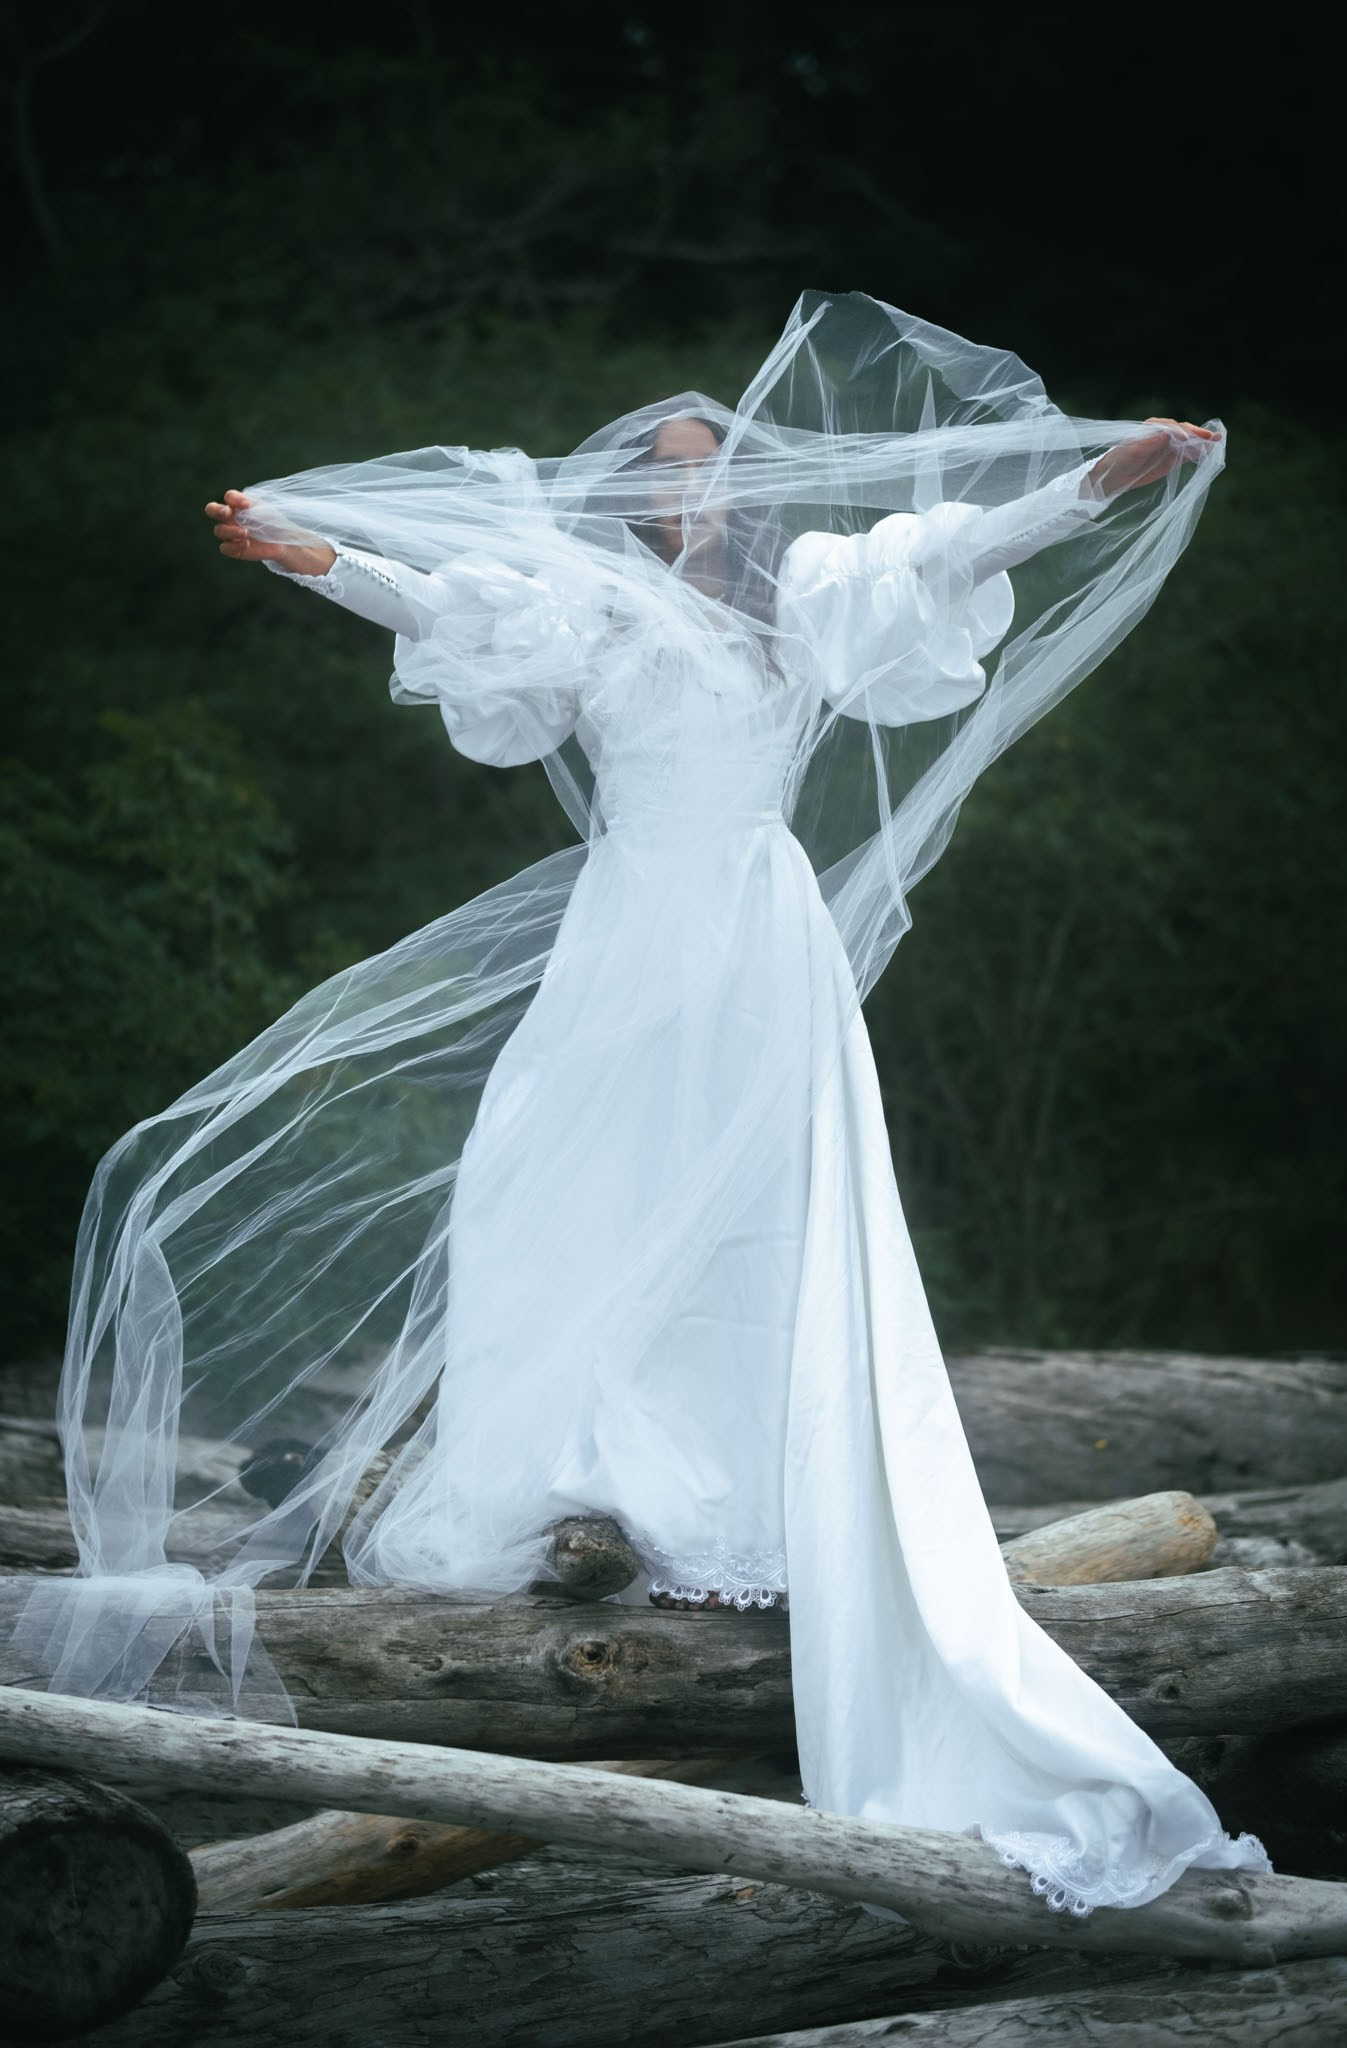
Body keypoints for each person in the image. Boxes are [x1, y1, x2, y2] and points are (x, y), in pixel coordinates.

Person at [14, 291, 1269, 1916]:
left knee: (757, 1210)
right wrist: (308, 560)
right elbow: (446, 600)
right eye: (664, 475)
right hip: (626, 929)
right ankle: (587, 1482)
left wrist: (1113, 473)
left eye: (709, 473)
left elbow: (955, 554)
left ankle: (752, 1504)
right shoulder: (591, 609)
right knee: (560, 1182)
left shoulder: (810, 599)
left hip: (753, 930)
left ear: (744, 494)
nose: (687, 495)